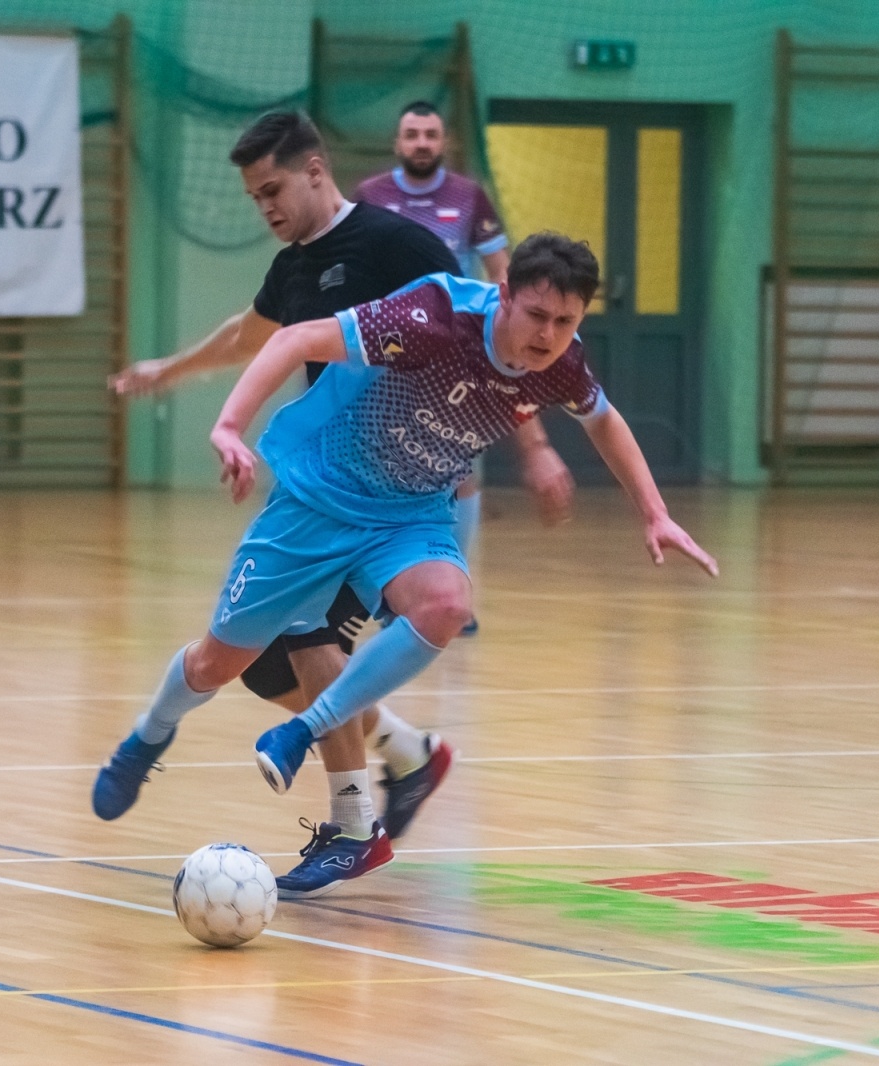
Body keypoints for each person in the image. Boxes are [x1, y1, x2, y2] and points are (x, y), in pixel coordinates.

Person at [105, 232, 716, 849]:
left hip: (412, 513)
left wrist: (655, 512)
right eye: (536, 315)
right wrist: (231, 426)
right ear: (503, 295)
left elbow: (603, 419)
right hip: (322, 495)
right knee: (217, 663)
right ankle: (148, 735)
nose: (548, 334)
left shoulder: (562, 360)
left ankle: (310, 743)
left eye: (566, 321)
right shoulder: (435, 317)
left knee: (447, 604)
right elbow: (292, 338)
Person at [97, 110, 573, 899]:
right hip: (330, 484)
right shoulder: (294, 267)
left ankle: (355, 825)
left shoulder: (399, 248)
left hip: (401, 497)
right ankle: (410, 755)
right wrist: (170, 370)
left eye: (273, 189)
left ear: (316, 170)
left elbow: (508, 346)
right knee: (262, 666)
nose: (266, 208)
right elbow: (248, 336)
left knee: (306, 639)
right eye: (255, 198)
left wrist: (533, 449)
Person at [355, 100, 513, 635]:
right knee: (378, 474)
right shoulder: (371, 196)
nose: (421, 142)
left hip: (450, 357)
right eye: (412, 134)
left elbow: (501, 273)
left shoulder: (468, 197)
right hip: (382, 356)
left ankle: (454, 591)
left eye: (430, 134)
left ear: (442, 142)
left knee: (460, 476)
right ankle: (386, 593)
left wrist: (496, 333)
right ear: (398, 143)